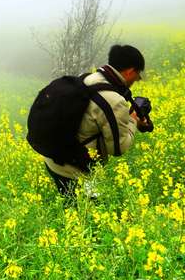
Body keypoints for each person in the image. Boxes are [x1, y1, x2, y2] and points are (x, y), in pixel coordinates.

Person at [43, 44, 149, 197]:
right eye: (137, 76)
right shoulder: (114, 100)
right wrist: (133, 121)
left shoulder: (88, 78)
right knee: (88, 210)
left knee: (69, 204)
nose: (137, 80)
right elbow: (118, 148)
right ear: (130, 71)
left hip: (53, 158)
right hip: (75, 170)